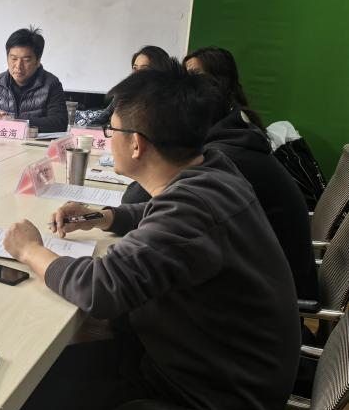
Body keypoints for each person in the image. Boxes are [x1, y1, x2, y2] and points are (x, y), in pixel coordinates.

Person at [2, 65, 299, 410]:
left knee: (22, 398)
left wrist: (30, 250)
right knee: (48, 369)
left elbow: (99, 289)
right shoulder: (214, 171)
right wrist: (106, 216)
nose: (107, 137)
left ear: (136, 143)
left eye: (111, 129)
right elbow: (162, 213)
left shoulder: (194, 207)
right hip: (221, 375)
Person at [123, 45, 317, 300]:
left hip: (268, 295)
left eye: (194, 78)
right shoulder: (236, 130)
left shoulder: (226, 152)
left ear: (218, 87)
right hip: (264, 278)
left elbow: (139, 200)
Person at [90, 45, 173, 126]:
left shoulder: (168, 101)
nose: (137, 73)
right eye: (135, 68)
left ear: (159, 71)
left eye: (144, 69)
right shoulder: (123, 94)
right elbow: (98, 121)